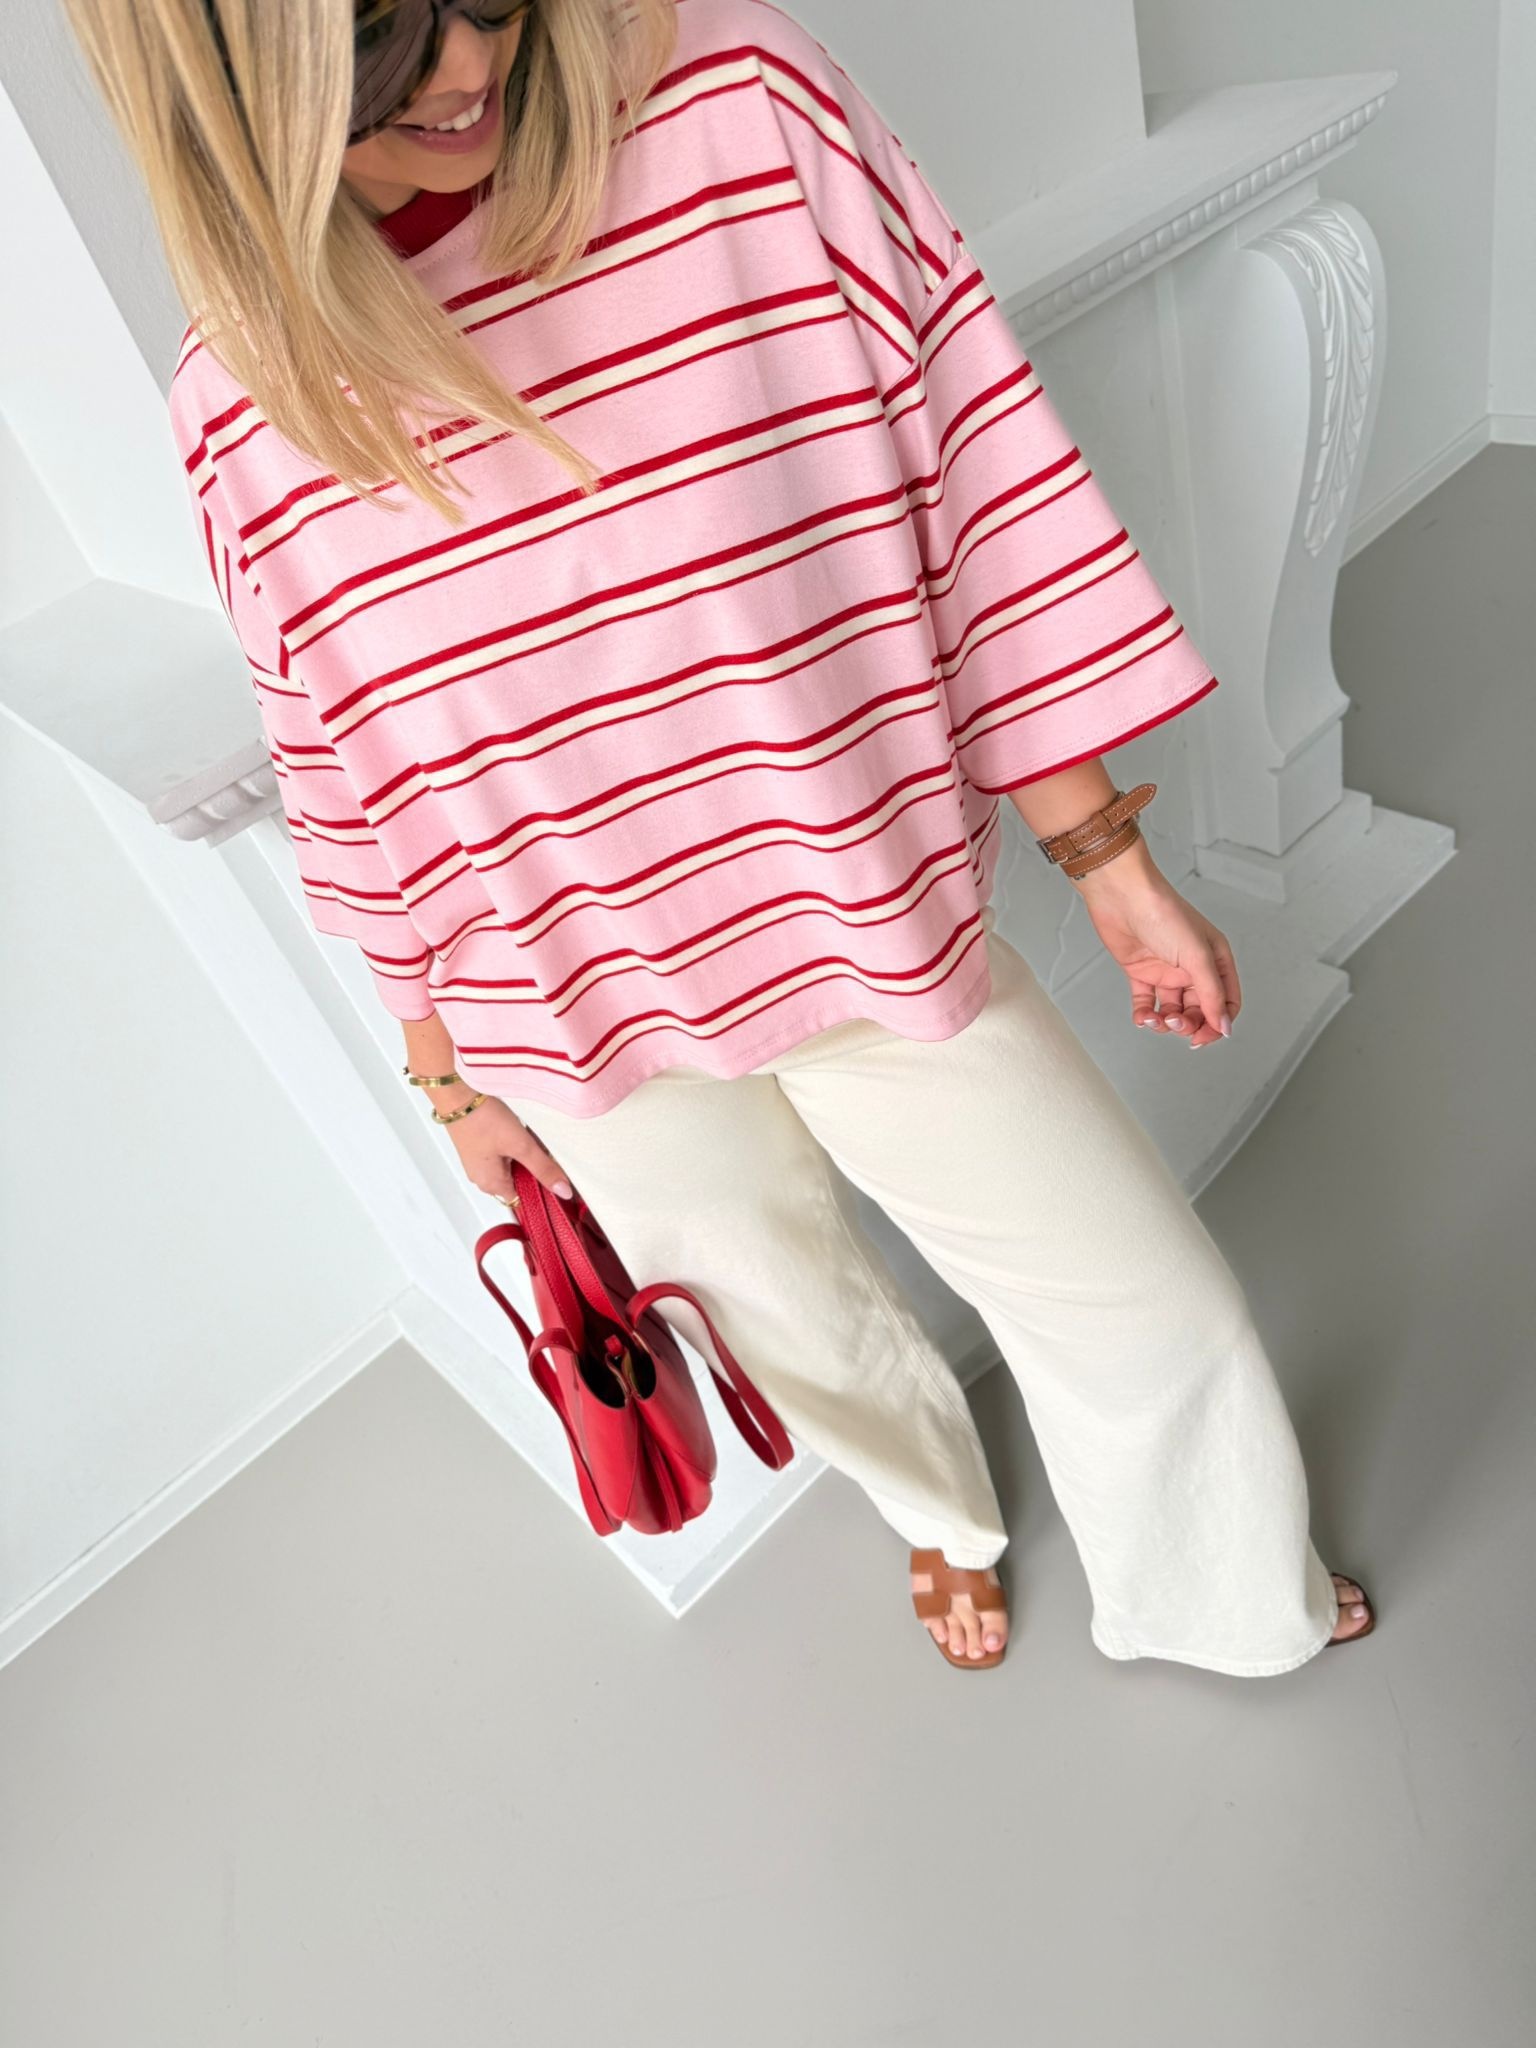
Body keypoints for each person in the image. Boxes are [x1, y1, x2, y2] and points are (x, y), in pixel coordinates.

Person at [65, 0, 1374, 1672]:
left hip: (860, 910)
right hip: (566, 1001)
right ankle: (934, 1509)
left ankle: (1222, 1593)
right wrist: (449, 1075)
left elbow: (971, 481)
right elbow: (352, 766)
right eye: (387, 35)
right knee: (784, 1316)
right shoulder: (243, 382)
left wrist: (1105, 855)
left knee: (1137, 1297)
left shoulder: (732, 97)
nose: (466, 67)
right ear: (236, 72)